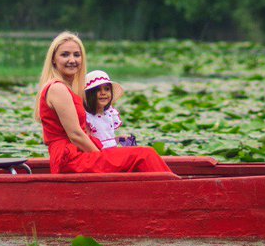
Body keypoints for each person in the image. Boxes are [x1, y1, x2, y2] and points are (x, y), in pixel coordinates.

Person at [35, 32, 171, 174]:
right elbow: (75, 134)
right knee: (144, 155)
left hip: (76, 154)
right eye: (65, 55)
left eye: (76, 55)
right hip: (70, 159)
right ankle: (175, 190)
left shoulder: (69, 88)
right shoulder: (58, 88)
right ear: (53, 60)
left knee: (139, 155)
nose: (72, 60)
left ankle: (169, 188)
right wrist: (101, 156)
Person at [83, 70, 124, 149]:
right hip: (98, 154)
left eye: (107, 89)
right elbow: (87, 143)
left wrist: (119, 139)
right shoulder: (88, 118)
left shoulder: (109, 114)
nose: (103, 93)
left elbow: (107, 141)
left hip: (112, 152)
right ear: (89, 94)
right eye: (98, 90)